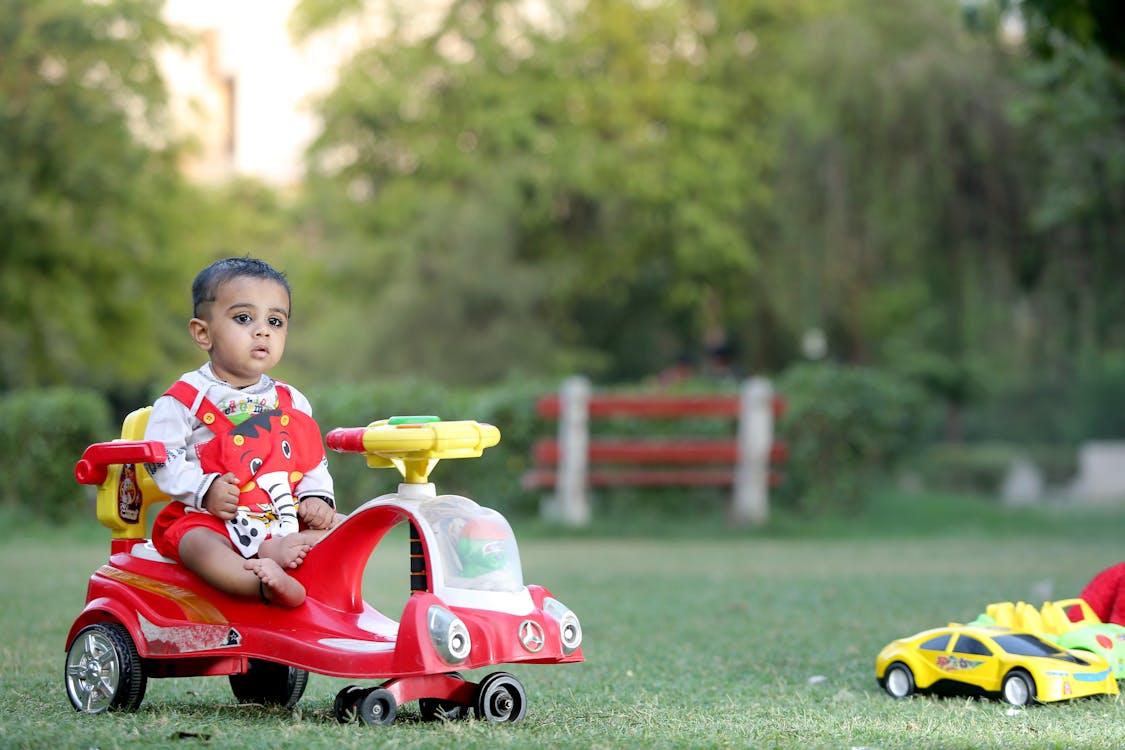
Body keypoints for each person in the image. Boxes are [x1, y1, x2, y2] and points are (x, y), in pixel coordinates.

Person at [144, 257, 341, 607]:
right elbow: (161, 459)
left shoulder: (291, 400)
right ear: (203, 332)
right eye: (244, 318)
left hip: (277, 514)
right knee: (198, 546)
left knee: (341, 528)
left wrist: (317, 498)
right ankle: (262, 585)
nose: (262, 330)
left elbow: (311, 460)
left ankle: (320, 589)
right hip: (210, 518)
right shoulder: (183, 399)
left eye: (275, 321)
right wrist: (204, 490)